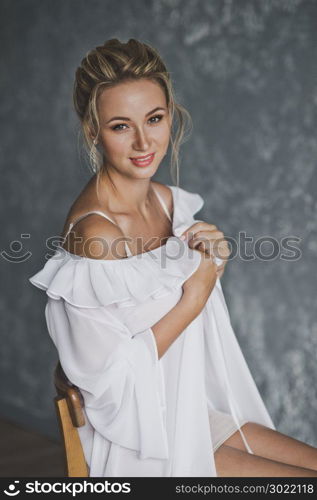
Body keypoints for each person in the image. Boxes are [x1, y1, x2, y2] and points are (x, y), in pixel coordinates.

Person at [29, 38, 317, 477]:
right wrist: (193, 297)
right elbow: (110, 391)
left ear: (170, 116)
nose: (144, 141)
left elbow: (178, 298)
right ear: (93, 131)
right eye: (120, 126)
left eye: (155, 119)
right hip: (136, 443)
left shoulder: (168, 203)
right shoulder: (95, 236)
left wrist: (212, 258)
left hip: (187, 412)